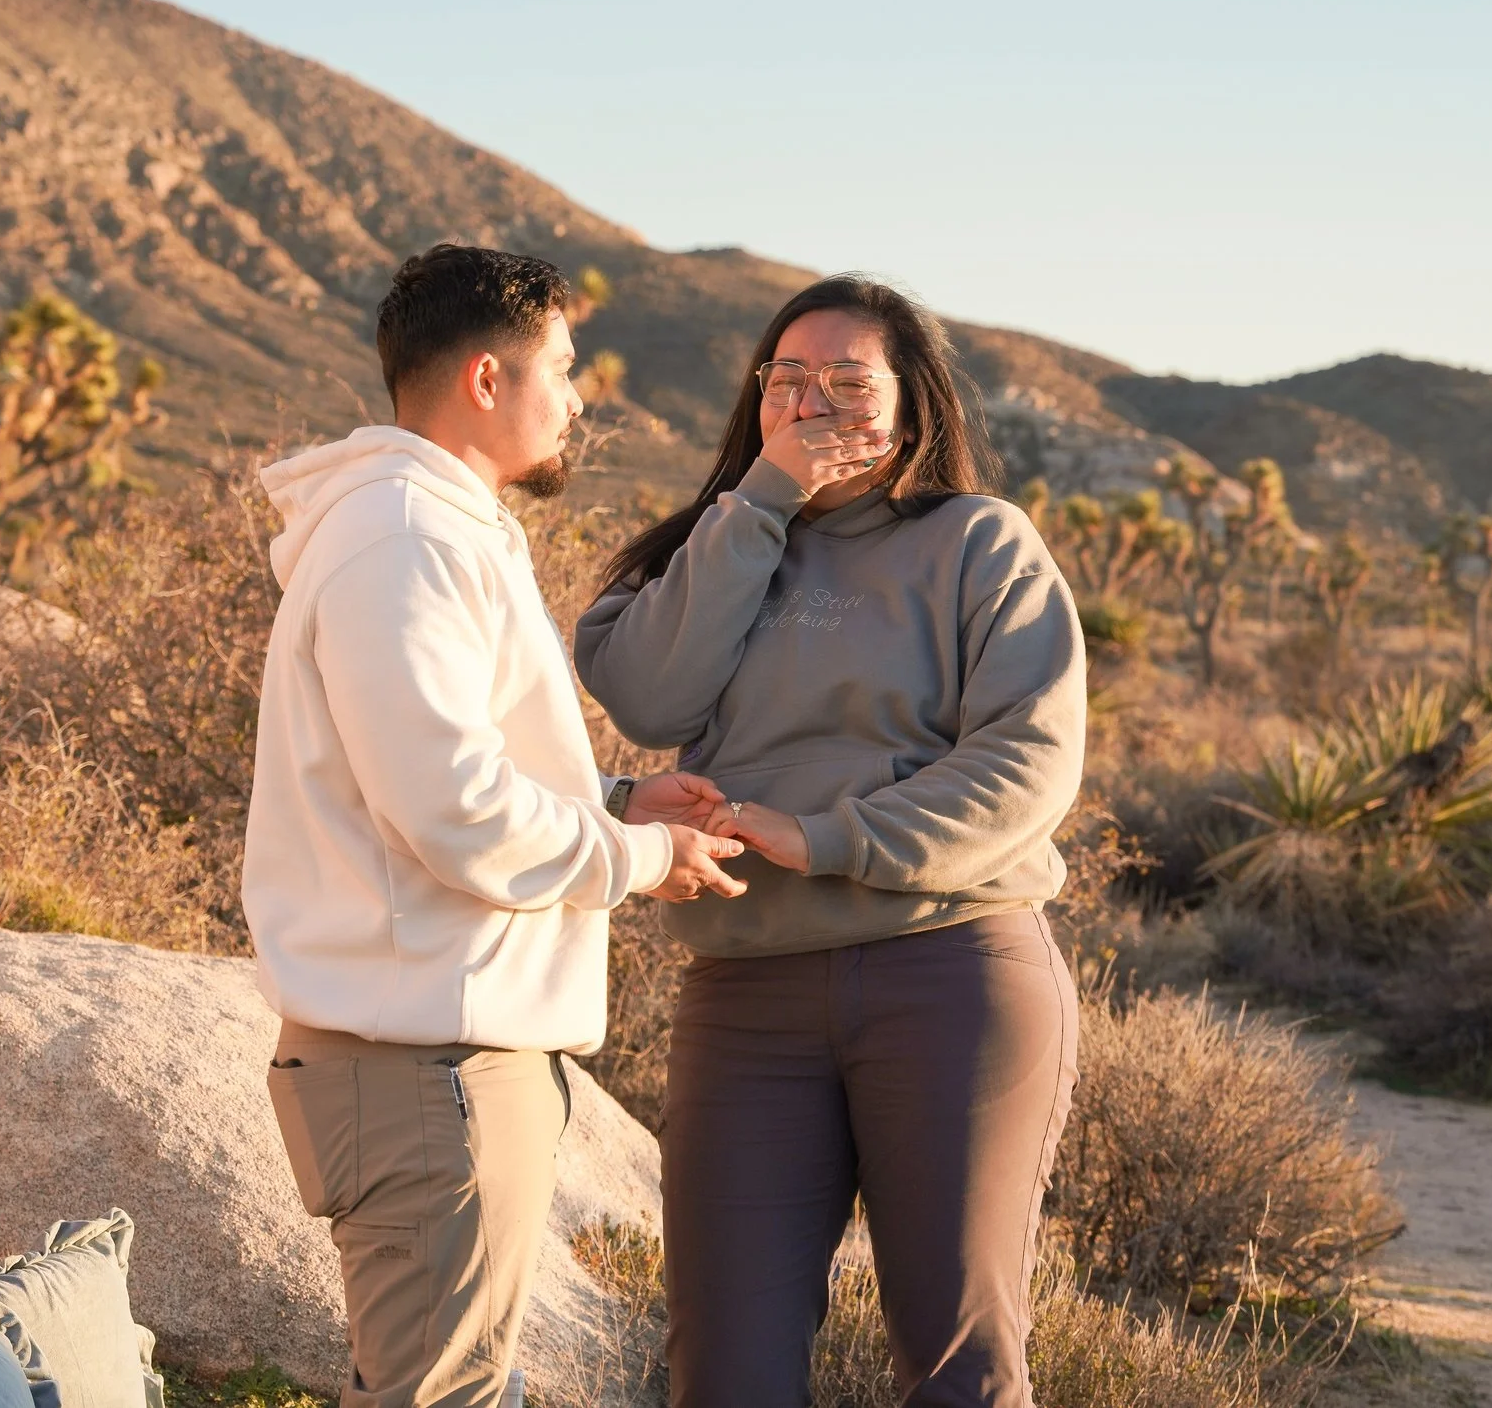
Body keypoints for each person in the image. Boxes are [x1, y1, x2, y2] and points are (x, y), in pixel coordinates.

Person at [244, 242, 749, 1408]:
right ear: (486, 377)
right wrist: (641, 856)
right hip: (429, 1065)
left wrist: (614, 802)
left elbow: (427, 774)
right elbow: (454, 807)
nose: (575, 398)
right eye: (561, 367)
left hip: (437, 1056)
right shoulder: (403, 537)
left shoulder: (423, 527)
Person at [576, 275, 1087, 1408]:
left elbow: (1028, 764)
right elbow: (650, 696)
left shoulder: (979, 543)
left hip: (949, 972)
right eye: (786, 378)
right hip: (745, 993)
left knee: (958, 1367)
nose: (810, 403)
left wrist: (826, 837)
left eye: (846, 381)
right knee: (725, 1368)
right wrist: (763, 498)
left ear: (909, 405)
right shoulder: (715, 543)